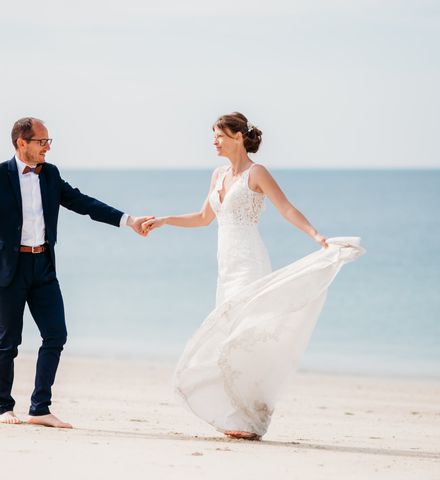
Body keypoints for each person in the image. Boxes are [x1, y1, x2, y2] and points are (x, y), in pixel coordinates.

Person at [0, 117, 152, 428]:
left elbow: (83, 203)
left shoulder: (50, 174)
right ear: (21, 143)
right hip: (8, 269)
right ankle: (5, 407)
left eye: (49, 141)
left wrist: (128, 220)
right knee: (9, 342)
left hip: (43, 266)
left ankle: (40, 407)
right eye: (42, 142)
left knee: (56, 335)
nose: (48, 147)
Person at [142, 112, 364, 440]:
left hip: (249, 264)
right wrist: (164, 220)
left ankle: (253, 418)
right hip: (225, 267)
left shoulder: (256, 173)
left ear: (238, 137)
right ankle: (241, 419)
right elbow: (204, 218)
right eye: (213, 135)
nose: (213, 141)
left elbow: (286, 208)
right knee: (228, 342)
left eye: (219, 135)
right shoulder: (217, 175)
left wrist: (316, 236)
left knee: (243, 339)